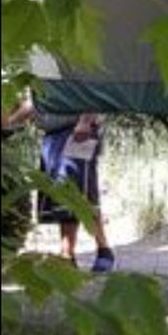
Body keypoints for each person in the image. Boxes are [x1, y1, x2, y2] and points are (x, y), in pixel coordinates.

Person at [23, 103, 117, 272]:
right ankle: (69, 254)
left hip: (78, 132)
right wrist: (9, 122)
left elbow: (91, 89)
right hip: (52, 137)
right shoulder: (37, 78)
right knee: (61, 196)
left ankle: (101, 250)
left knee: (81, 192)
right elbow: (34, 101)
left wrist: (85, 120)